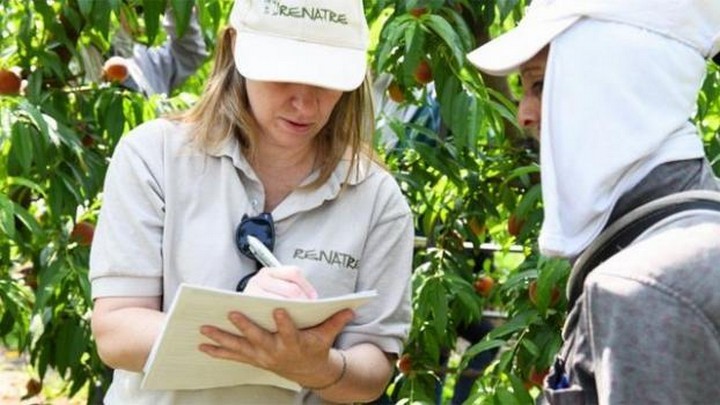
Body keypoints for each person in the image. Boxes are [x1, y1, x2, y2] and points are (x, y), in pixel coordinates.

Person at [88, 0, 414, 403]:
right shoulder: (155, 157)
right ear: (233, 49)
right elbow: (116, 332)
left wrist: (320, 367)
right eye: (283, 74)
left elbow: (373, 366)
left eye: (327, 80)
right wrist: (244, 327)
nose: (305, 103)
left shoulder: (377, 199)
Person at [467, 0, 720, 403]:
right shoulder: (695, 235)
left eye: (541, 85)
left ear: (615, 85)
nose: (524, 115)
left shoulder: (642, 289)